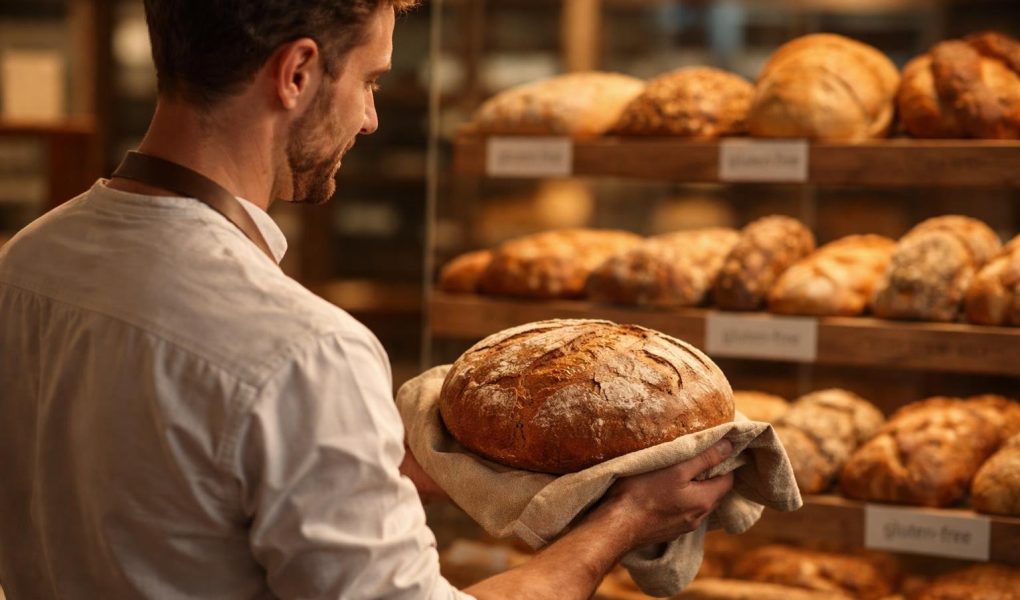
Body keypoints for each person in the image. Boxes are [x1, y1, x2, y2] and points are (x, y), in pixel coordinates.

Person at [0, 1, 735, 598]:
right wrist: (626, 520)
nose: (371, 118)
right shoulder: (303, 349)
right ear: (297, 72)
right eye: (371, 81)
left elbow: (161, 485)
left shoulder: (27, 261)